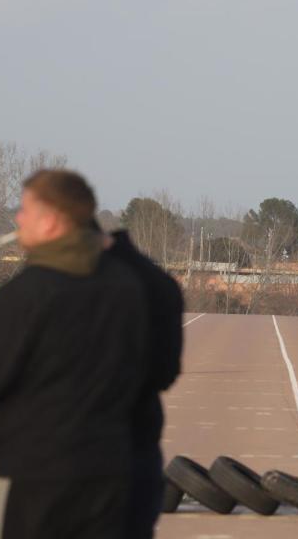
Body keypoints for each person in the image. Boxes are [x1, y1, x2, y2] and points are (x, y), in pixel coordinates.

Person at [0, 169, 149, 539]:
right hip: (111, 469)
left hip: (37, 474)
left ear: (50, 222)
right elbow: (151, 369)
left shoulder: (27, 291)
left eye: (25, 211)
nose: (17, 219)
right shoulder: (126, 286)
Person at [103, 226, 184, 538]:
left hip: (72, 455)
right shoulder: (161, 284)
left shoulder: (56, 286)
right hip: (141, 444)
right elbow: (166, 373)